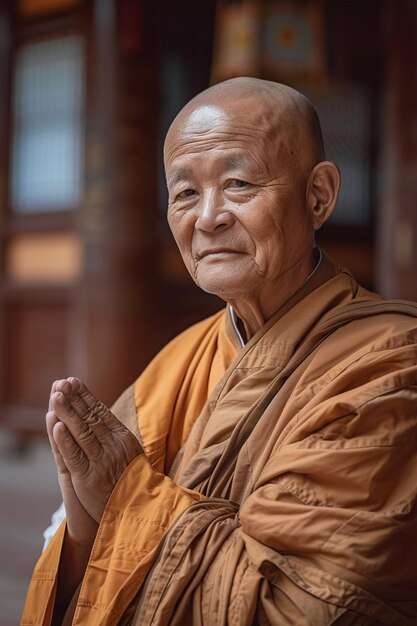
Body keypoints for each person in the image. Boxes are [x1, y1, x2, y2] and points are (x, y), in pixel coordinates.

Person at [22, 78, 417, 626]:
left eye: (239, 183)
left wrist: (127, 502)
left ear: (318, 196)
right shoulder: (180, 359)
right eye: (185, 193)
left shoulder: (391, 365)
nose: (207, 217)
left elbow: (312, 605)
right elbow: (90, 541)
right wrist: (90, 521)